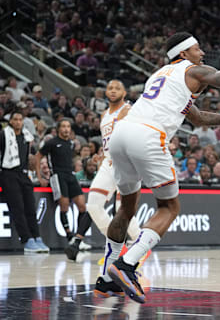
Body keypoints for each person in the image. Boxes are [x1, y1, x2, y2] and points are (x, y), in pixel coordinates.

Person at [103, 31, 220, 304]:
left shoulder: (160, 75)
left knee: (126, 208)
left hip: (121, 134)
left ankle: (107, 278)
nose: (202, 53)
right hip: (147, 135)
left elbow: (200, 118)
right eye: (197, 48)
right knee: (170, 208)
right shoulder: (193, 70)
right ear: (183, 54)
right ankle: (126, 265)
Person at [85, 81, 145, 297]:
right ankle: (125, 249)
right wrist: (101, 155)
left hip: (125, 162)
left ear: (124, 92)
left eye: (117, 88)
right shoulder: (104, 114)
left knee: (124, 210)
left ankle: (137, 248)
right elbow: (107, 141)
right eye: (110, 88)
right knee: (93, 204)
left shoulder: (129, 109)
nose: (112, 91)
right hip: (108, 162)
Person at [35, 119, 92, 261]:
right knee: (64, 206)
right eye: (64, 127)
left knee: (82, 206)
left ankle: (78, 238)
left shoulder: (71, 143)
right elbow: (37, 157)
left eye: (68, 127)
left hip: (70, 175)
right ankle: (69, 237)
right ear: (58, 128)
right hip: (57, 176)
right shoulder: (51, 143)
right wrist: (40, 177)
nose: (66, 129)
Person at [0, 111, 49, 253]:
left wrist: (38, 175)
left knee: (30, 208)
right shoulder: (3, 135)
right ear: (10, 121)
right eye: (15, 119)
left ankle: (36, 237)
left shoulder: (26, 137)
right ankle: (26, 239)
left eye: (20, 119)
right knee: (18, 208)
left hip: (23, 174)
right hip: (8, 173)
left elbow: (33, 157)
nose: (18, 122)